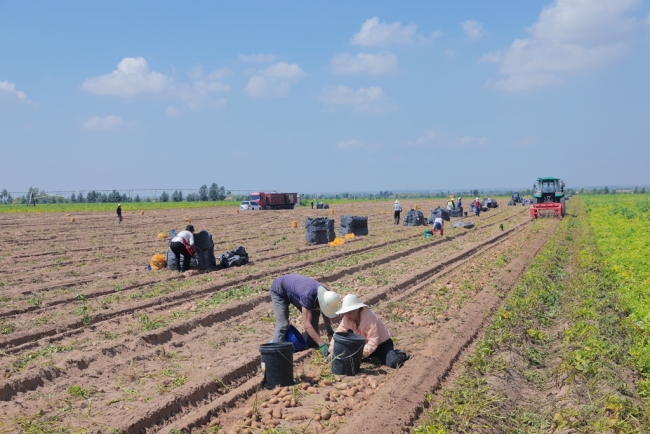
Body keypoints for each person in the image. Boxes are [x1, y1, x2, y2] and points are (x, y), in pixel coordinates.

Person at [328, 294, 409, 369]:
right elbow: (338, 334)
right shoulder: (347, 318)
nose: (348, 315)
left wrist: (357, 355)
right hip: (363, 344)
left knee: (393, 362)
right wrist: (332, 350)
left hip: (381, 344)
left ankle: (401, 354)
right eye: (346, 313)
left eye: (351, 312)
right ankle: (369, 356)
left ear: (358, 309)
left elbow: (373, 342)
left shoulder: (369, 318)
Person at [270, 274, 340, 356]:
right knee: (283, 324)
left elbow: (325, 310)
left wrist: (329, 329)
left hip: (294, 290)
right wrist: (321, 343)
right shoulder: (308, 295)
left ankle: (311, 343)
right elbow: (307, 324)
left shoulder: (326, 294)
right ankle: (274, 353)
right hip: (279, 289)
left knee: (314, 313)